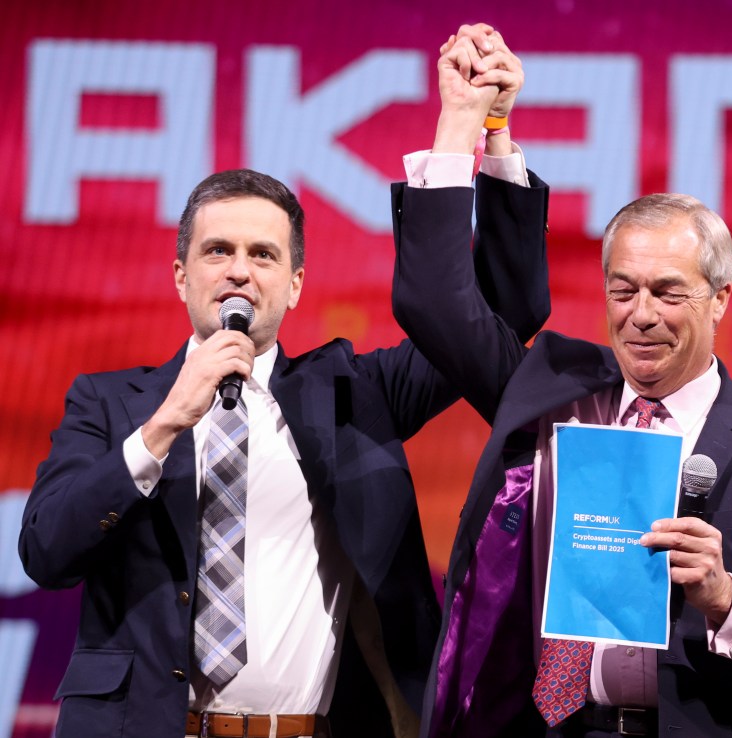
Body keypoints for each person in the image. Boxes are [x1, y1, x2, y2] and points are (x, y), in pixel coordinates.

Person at [18, 26, 544, 738]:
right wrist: (164, 425)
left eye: (263, 254)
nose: (239, 270)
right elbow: (47, 551)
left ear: (294, 285)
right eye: (217, 251)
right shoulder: (112, 404)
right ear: (182, 277)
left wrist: (486, 130)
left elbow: (491, 317)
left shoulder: (357, 394)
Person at [390, 29, 732, 737]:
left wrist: (723, 595)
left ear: (721, 297)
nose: (641, 316)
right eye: (623, 290)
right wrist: (472, 123)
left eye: (668, 292)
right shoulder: (551, 393)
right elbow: (435, 298)